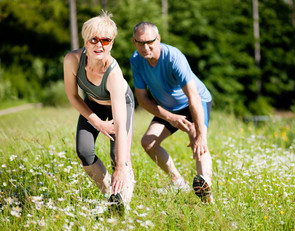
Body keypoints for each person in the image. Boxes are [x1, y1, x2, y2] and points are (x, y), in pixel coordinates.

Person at [130, 21, 213, 203]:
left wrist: (201, 134)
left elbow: (194, 97)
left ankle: (206, 194)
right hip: (169, 109)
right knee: (148, 143)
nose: (145, 47)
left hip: (195, 102)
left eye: (150, 42)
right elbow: (142, 99)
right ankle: (178, 183)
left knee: (197, 138)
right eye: (140, 43)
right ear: (134, 42)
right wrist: (170, 117)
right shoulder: (136, 60)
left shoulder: (174, 57)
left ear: (158, 39)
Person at [63, 11, 135, 211]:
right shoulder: (72, 60)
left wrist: (120, 166)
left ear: (112, 43)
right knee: (84, 152)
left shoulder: (114, 74)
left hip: (120, 106)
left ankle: (122, 204)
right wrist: (97, 122)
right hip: (92, 104)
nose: (99, 45)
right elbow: (73, 96)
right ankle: (110, 195)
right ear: (85, 40)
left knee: (118, 156)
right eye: (93, 39)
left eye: (105, 40)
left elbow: (120, 124)